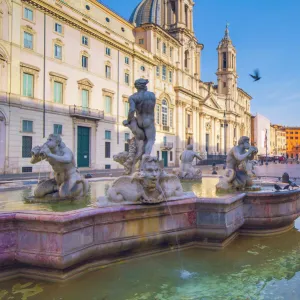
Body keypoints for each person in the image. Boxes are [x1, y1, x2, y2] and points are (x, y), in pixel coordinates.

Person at [31, 134, 88, 199]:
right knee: (37, 193)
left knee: (63, 195)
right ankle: (57, 189)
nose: (47, 141)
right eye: (47, 139)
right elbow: (33, 162)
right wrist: (35, 155)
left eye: (50, 140)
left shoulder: (65, 150)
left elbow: (67, 159)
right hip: (56, 180)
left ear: (57, 143)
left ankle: (79, 186)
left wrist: (49, 155)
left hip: (70, 178)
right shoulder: (48, 151)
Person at [123, 78, 156, 156]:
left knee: (141, 139)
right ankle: (146, 157)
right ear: (145, 86)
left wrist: (128, 120)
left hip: (139, 120)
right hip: (148, 120)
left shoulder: (133, 97)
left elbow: (132, 110)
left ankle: (139, 155)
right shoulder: (152, 95)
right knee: (150, 140)